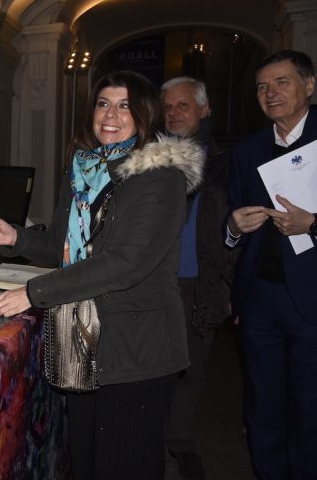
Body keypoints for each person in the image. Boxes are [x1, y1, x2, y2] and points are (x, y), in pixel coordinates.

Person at [0, 71, 204, 479]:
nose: (111, 115)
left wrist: (35, 292)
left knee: (124, 465)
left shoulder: (159, 177)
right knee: (85, 460)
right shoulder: (84, 170)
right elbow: (60, 247)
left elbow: (126, 262)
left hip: (134, 346)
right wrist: (15, 237)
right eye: (103, 103)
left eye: (124, 106)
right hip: (83, 340)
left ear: (145, 114)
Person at [225, 49, 317, 480]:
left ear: (309, 86)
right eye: (262, 86)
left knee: (310, 408)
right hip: (259, 297)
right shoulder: (247, 151)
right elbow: (232, 222)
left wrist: (313, 223)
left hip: (313, 299)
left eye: (281, 82)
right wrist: (233, 226)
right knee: (262, 405)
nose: (270, 93)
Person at [160, 77, 238, 480]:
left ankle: (182, 443)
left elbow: (241, 227)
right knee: (152, 368)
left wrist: (232, 289)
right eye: (169, 106)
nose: (174, 112)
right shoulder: (151, 157)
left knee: (192, 370)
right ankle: (150, 441)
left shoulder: (228, 162)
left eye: (184, 105)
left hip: (199, 281)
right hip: (153, 282)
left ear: (205, 110)